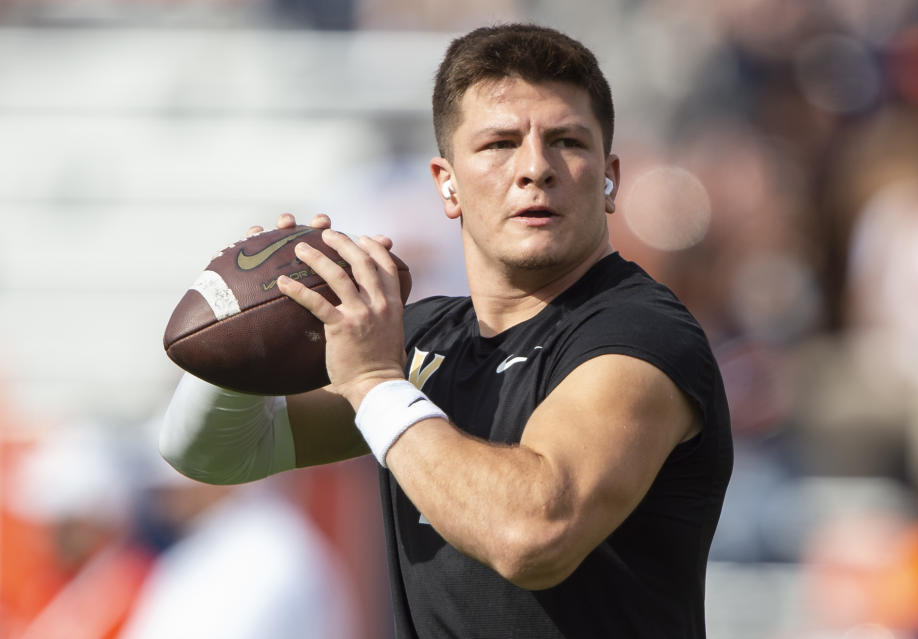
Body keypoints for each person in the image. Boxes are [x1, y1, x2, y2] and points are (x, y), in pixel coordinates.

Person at [160, 23, 733, 638]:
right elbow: (214, 453)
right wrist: (255, 331)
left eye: (567, 140)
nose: (535, 168)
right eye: (499, 144)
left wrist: (377, 385)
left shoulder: (641, 335)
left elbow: (533, 536)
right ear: (447, 183)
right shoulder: (428, 339)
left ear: (609, 175)